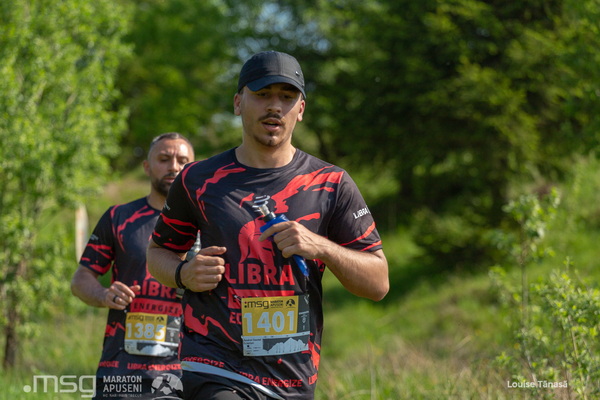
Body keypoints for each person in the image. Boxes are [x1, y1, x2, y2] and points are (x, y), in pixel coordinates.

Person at [147, 51, 389, 400]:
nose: (275, 106)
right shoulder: (198, 180)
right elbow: (158, 252)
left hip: (293, 376)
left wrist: (321, 247)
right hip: (214, 366)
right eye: (262, 94)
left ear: (300, 109)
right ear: (238, 103)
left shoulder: (331, 183)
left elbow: (378, 283)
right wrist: (183, 273)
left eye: (287, 97)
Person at [71, 132, 195, 399]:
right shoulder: (119, 217)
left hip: (187, 371)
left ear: (193, 170)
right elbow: (81, 279)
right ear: (147, 167)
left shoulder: (207, 223)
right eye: (164, 159)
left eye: (183, 161)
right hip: (121, 370)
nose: (174, 166)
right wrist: (104, 294)